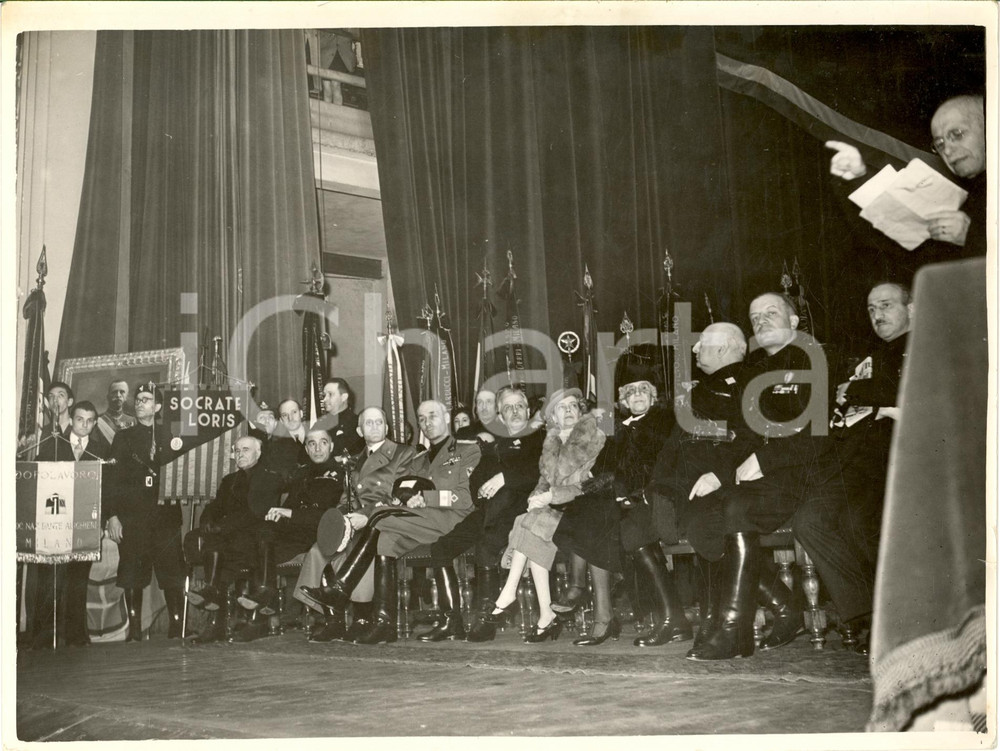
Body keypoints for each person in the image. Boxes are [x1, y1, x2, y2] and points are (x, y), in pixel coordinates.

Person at [687, 294, 853, 661]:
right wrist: (720, 472)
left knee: (738, 508)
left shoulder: (818, 360)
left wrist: (764, 458)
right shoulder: (755, 372)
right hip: (761, 474)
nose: (760, 321)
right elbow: (744, 434)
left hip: (804, 475)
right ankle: (783, 606)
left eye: (771, 313)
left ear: (795, 322)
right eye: (754, 316)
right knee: (703, 509)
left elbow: (819, 435)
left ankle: (735, 629)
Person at [558, 349, 689, 647]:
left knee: (619, 526)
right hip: (626, 499)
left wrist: (612, 484)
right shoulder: (620, 429)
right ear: (623, 400)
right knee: (587, 508)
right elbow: (604, 468)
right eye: (631, 391)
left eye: (644, 390)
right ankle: (591, 598)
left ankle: (588, 596)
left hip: (657, 497)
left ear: (654, 397)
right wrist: (586, 481)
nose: (638, 394)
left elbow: (651, 466)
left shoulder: (664, 421)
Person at [339, 400, 480, 644]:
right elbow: (404, 491)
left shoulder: (468, 450)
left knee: (378, 517)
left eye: (433, 416)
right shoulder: (419, 459)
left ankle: (341, 586)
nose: (427, 423)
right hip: (420, 522)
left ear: (446, 418)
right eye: (422, 418)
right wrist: (403, 499)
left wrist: (426, 497)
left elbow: (466, 497)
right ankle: (385, 624)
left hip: (453, 520)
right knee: (385, 539)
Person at [651, 323, 749, 651]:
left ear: (722, 349)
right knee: (652, 521)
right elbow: (678, 442)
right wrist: (657, 485)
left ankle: (718, 621)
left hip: (733, 482)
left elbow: (746, 438)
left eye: (702, 345)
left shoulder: (745, 384)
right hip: (693, 484)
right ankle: (713, 620)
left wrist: (719, 474)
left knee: (702, 525)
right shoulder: (703, 389)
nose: (694, 351)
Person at [826, 281, 913, 652]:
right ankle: (868, 613)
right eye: (871, 308)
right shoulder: (874, 354)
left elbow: (902, 391)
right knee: (829, 515)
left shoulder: (925, 346)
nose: (877, 314)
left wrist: (854, 391)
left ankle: (898, 617)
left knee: (862, 519)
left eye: (886, 305)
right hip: (866, 454)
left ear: (912, 308)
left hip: (910, 456)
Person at [483, 388, 605, 643]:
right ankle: (545, 614)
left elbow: (591, 482)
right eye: (562, 408)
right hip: (556, 509)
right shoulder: (552, 442)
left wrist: (551, 497)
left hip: (584, 508)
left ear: (581, 411)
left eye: (573, 406)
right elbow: (543, 479)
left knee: (531, 522)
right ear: (553, 417)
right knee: (531, 522)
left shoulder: (594, 437)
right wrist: (536, 497)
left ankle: (509, 591)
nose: (569, 411)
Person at [424, 386, 544, 642]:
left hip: (523, 512)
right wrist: (480, 489)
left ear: (528, 410)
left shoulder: (539, 439)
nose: (514, 412)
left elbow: (543, 473)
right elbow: (476, 477)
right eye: (508, 408)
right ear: (500, 415)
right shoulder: (494, 445)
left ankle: (487, 618)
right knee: (441, 549)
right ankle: (451, 621)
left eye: (519, 406)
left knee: (487, 543)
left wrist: (505, 478)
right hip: (490, 511)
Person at [294, 406, 418, 643]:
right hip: (357, 520)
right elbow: (346, 499)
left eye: (378, 422)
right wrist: (341, 518)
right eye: (368, 423)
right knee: (321, 549)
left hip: (387, 518)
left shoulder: (403, 453)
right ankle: (334, 620)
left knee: (358, 545)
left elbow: (400, 494)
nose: (374, 426)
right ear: (360, 431)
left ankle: (360, 617)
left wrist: (367, 515)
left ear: (387, 427)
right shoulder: (353, 461)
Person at [826, 94, 986, 271]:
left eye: (957, 134)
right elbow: (910, 253)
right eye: (939, 144)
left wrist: (971, 236)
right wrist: (859, 176)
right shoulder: (967, 198)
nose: (947, 150)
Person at [234, 424, 345, 641]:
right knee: (259, 534)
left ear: (331, 446)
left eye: (323, 443)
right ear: (306, 448)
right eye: (311, 444)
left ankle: (264, 611)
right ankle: (264, 604)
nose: (317, 448)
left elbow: (325, 514)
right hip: (294, 531)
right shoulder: (302, 472)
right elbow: (290, 501)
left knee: (262, 543)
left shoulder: (339, 473)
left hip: (317, 533)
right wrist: (277, 515)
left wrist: (288, 513)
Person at [105, 382, 191, 641]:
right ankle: (133, 632)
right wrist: (112, 516)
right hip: (132, 519)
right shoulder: (123, 437)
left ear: (157, 407)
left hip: (165, 518)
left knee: (172, 574)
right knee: (132, 574)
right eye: (138, 399)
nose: (140, 403)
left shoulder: (172, 437)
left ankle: (177, 629)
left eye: (146, 399)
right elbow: (111, 480)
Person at [183, 436, 284, 644]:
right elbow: (215, 506)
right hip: (229, 536)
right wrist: (208, 520)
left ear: (258, 453)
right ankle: (214, 611)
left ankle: (237, 618)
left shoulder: (269, 478)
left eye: (245, 450)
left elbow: (256, 511)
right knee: (205, 539)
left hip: (255, 534)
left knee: (221, 543)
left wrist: (222, 527)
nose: (240, 454)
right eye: (237, 450)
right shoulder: (229, 480)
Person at [32, 401, 111, 647]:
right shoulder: (53, 444)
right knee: (50, 580)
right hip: (54, 523)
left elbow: (108, 491)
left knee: (78, 581)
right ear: (72, 419)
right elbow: (35, 477)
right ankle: (44, 637)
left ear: (95, 423)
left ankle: (77, 636)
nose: (84, 425)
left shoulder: (103, 451)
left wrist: (102, 522)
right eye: (79, 419)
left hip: (86, 526)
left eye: (89, 421)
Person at [314, 377, 366, 457]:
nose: (324, 399)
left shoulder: (356, 423)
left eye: (330, 394)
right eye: (324, 395)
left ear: (344, 397)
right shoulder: (319, 424)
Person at [96, 379, 135, 444]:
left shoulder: (132, 420)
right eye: (114, 392)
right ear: (108, 397)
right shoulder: (98, 420)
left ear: (126, 397)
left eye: (122, 392)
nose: (118, 395)